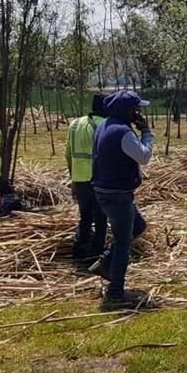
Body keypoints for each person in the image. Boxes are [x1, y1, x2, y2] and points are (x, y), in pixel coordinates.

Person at [90, 91, 154, 309]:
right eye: (136, 109)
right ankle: (116, 291)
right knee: (124, 241)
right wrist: (146, 132)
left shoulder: (105, 125)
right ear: (127, 111)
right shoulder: (123, 132)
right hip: (117, 194)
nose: (139, 113)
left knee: (138, 226)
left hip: (104, 190)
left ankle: (105, 261)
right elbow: (144, 157)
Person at [66, 94, 108, 260]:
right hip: (98, 178)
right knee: (100, 217)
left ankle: (78, 249)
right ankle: (97, 252)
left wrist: (73, 177)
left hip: (79, 178)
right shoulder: (105, 125)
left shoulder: (75, 124)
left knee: (85, 216)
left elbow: (68, 153)